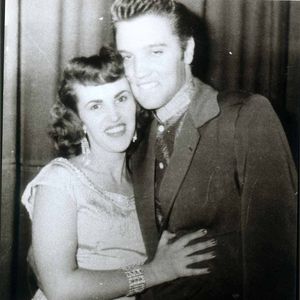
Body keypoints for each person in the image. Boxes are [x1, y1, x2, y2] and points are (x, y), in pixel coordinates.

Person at [110, 0, 298, 299]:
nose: (138, 72)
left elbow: (276, 262)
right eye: (127, 57)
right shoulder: (137, 142)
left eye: (155, 52)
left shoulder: (245, 116)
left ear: (188, 51)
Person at [21, 47, 216, 300]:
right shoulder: (60, 180)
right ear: (79, 120)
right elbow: (60, 288)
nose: (113, 116)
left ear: (136, 104)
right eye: (95, 106)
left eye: (121, 98)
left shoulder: (148, 178)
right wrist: (156, 272)